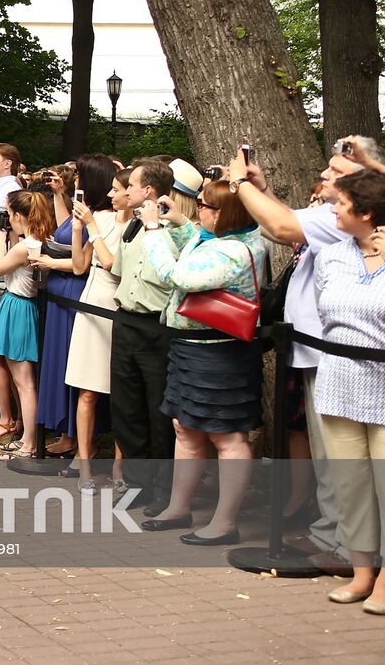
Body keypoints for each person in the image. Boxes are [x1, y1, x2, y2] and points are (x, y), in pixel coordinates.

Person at [229, 136, 382, 570]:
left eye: (336, 173)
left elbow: (281, 229)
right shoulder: (332, 217)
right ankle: (337, 537)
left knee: (342, 462)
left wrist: (242, 185)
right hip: (319, 351)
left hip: (338, 356)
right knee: (331, 455)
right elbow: (290, 223)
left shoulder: (348, 220)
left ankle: (340, 542)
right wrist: (264, 192)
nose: (325, 176)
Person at [139, 179, 267, 546]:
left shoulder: (235, 250)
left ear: (224, 213)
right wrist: (180, 224)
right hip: (192, 348)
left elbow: (178, 275)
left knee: (227, 436)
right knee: (186, 426)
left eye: (205, 206)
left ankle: (225, 523)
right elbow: (194, 250)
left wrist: (153, 230)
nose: (200, 211)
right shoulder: (221, 239)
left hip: (219, 353)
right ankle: (180, 507)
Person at [310, 170, 385, 612]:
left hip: (383, 384)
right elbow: (325, 312)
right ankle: (362, 574)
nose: (332, 209)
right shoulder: (332, 256)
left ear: (367, 211)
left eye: (340, 203)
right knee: (351, 484)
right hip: (338, 382)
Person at [110, 158, 198, 513]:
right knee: (126, 408)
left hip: (157, 327)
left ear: (148, 189)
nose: (126, 191)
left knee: (158, 411)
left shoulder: (176, 229)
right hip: (125, 320)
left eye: (130, 185)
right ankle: (138, 483)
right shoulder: (131, 227)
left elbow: (173, 276)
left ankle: (164, 488)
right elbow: (119, 271)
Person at [31, 155, 117, 459]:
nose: (74, 179)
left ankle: (85, 442)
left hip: (85, 297)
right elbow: (73, 242)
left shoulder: (105, 218)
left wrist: (53, 262)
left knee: (83, 376)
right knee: (65, 368)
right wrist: (60, 197)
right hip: (66, 292)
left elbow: (86, 265)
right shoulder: (86, 213)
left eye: (79, 175)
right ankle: (69, 435)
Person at [65, 167, 133, 490]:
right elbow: (80, 266)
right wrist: (79, 229)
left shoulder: (139, 228)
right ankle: (85, 468)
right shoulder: (102, 219)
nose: (109, 195)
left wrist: (91, 225)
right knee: (87, 391)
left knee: (120, 393)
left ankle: (119, 467)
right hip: (91, 306)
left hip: (117, 308)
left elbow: (112, 264)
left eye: (117, 189)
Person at [0, 190, 56, 459]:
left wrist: (0, 238)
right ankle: (28, 438)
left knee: (24, 381)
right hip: (23, 306)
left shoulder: (23, 246)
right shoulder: (39, 240)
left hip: (18, 305)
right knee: (23, 379)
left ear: (17, 215)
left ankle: (30, 442)